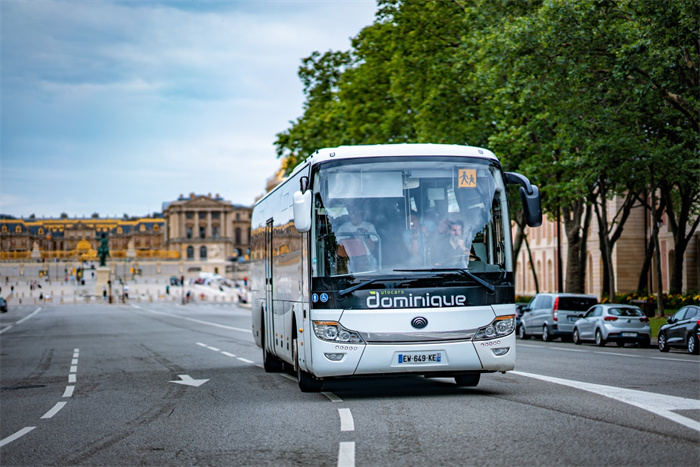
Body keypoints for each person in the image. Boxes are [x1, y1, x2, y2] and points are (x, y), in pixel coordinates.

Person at [336, 203, 379, 273]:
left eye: (357, 213)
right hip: (348, 258)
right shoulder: (343, 228)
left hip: (366, 257)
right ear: (349, 214)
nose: (355, 215)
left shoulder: (369, 226)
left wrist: (366, 236)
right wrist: (352, 238)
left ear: (362, 214)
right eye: (353, 212)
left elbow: (372, 248)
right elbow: (338, 248)